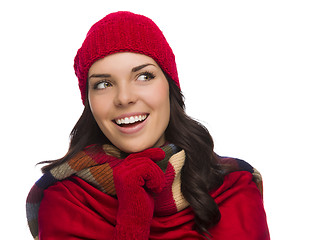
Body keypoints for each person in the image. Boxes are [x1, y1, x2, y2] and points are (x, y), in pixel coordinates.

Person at [26, 11, 270, 240]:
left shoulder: (233, 186)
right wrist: (133, 219)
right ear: (89, 102)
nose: (124, 97)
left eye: (144, 76)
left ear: (169, 86)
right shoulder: (65, 199)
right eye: (103, 84)